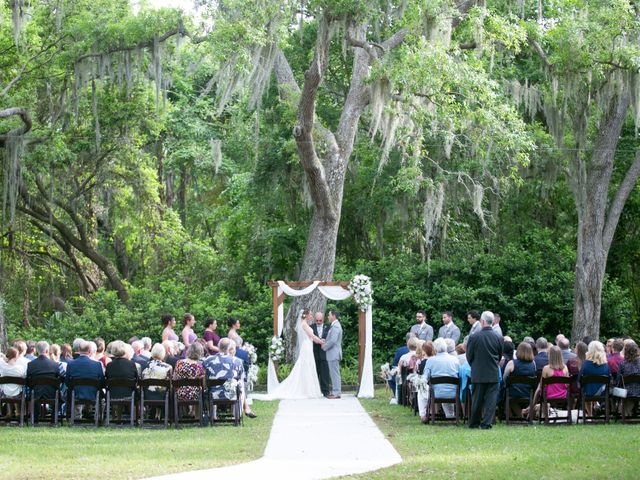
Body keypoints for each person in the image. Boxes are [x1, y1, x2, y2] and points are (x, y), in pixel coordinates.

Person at [255, 310, 325, 400]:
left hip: (308, 345)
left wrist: (319, 341)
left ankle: (307, 389)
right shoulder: (304, 324)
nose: (312, 315)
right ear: (306, 315)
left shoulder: (304, 324)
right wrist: (322, 342)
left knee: (307, 366)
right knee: (306, 366)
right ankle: (306, 390)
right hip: (306, 346)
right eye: (310, 314)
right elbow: (313, 337)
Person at [466, 311, 502, 429]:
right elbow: (499, 355)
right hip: (493, 372)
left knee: (477, 399)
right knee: (491, 401)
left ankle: (474, 422)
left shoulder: (474, 337)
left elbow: (469, 356)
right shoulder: (498, 337)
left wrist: (475, 366)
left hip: (478, 372)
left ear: (482, 321)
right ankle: (487, 423)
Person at [423, 338, 460, 420]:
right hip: (454, 393)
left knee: (426, 388)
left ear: (435, 349)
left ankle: (424, 414)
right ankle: (450, 415)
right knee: (447, 387)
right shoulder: (455, 360)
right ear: (446, 348)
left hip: (436, 393)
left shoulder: (430, 361)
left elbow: (424, 378)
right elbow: (459, 375)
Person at [503, 342, 537, 418]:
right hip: (528, 393)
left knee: (506, 395)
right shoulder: (533, 364)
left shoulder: (512, 363)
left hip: (513, 393)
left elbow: (504, 379)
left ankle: (514, 417)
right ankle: (521, 416)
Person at [580, 341, 610, 417]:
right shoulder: (606, 365)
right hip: (602, 392)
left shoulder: (586, 364)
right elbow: (609, 378)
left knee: (587, 387)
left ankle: (590, 415)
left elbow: (580, 379)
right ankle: (596, 403)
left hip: (588, 392)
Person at [322, 310, 343, 399]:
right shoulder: (334, 325)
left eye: (329, 315)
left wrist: (325, 346)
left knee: (335, 374)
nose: (328, 317)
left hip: (333, 353)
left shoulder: (336, 326)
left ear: (333, 316)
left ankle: (336, 393)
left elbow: (333, 340)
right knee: (334, 373)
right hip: (333, 353)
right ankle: (335, 391)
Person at [616, 342, 640, 417]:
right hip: (639, 391)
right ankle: (631, 412)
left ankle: (621, 412)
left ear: (625, 351)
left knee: (614, 391)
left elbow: (618, 380)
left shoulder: (622, 364)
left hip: (625, 392)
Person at [311, 310, 331, 397]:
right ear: (315, 319)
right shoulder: (311, 327)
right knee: (314, 373)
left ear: (323, 319)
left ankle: (326, 391)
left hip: (325, 353)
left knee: (325, 373)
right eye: (317, 320)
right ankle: (314, 391)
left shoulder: (328, 327)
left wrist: (325, 341)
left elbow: (331, 338)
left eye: (320, 320)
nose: (319, 322)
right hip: (314, 353)